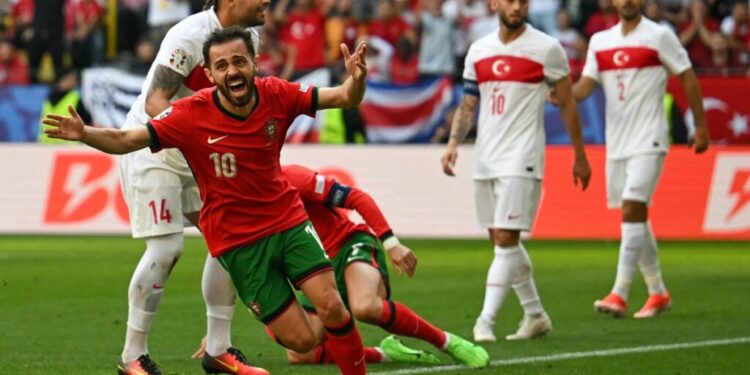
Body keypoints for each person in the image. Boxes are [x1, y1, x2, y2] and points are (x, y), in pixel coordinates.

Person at [44, 26, 371, 375]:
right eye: (222, 65)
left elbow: (345, 97)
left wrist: (357, 79)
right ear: (211, 74)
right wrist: (84, 134)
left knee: (333, 308)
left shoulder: (277, 93)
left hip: (288, 222)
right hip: (239, 242)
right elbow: (126, 140)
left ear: (255, 63)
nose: (232, 71)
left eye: (239, 61)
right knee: (304, 342)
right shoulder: (191, 114)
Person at [107, 0, 270, 374]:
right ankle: (132, 357)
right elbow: (155, 101)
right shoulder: (188, 35)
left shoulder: (250, 38)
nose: (266, 1)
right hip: (154, 148)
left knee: (229, 237)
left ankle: (219, 349)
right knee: (167, 247)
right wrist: (198, 136)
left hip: (200, 150)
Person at [440, 0, 592, 343]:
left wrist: (579, 155)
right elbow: (468, 105)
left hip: (522, 157)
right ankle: (535, 314)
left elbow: (567, 103)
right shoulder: (478, 50)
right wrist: (453, 143)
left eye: (523, 1)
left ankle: (485, 322)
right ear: (495, 4)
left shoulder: (547, 49)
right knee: (501, 240)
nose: (517, 6)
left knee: (507, 240)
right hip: (486, 157)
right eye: (510, 0)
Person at [570, 0, 709, 319]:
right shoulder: (600, 41)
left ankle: (619, 292)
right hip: (617, 142)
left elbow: (687, 77)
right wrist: (563, 91)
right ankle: (658, 291)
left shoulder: (659, 36)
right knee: (635, 214)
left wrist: (700, 127)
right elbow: (586, 86)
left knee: (633, 206)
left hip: (650, 137)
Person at [278, 164, 489, 368]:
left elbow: (355, 197)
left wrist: (391, 243)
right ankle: (385, 353)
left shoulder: (293, 177)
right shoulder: (250, 203)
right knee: (300, 353)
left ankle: (447, 342)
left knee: (365, 306)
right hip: (316, 268)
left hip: (347, 244)